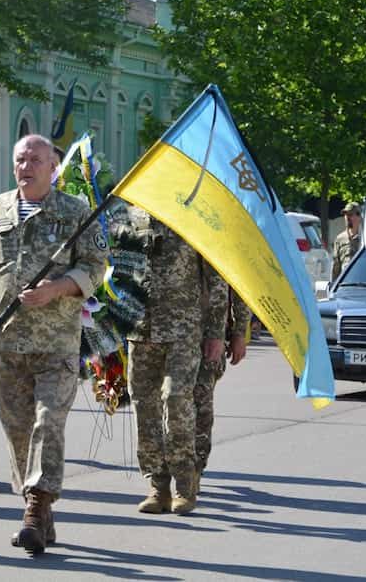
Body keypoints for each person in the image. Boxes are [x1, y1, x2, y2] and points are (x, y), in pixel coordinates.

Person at [0, 134, 107, 556]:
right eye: (20, 159)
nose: (26, 166)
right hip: (6, 346)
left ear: (53, 167)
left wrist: (57, 288)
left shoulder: (74, 212)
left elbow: (96, 268)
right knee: (17, 431)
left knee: (47, 422)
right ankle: (41, 514)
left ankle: (35, 510)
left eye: (35, 160)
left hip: (56, 343)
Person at [112, 207, 227, 516]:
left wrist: (217, 332)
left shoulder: (194, 217)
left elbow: (216, 281)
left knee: (176, 400)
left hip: (183, 330)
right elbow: (116, 273)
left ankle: (185, 485)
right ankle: (157, 486)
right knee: (145, 406)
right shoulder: (128, 219)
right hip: (140, 330)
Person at [193, 289, 251, 493]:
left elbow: (238, 285)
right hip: (165, 332)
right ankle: (167, 469)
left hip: (209, 336)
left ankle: (194, 470)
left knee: (200, 401)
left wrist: (240, 332)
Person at [332, 201, 362, 279]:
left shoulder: (365, 238)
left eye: (350, 214)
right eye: (345, 215)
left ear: (359, 216)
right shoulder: (340, 239)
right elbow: (336, 266)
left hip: (362, 284)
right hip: (345, 285)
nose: (347, 217)